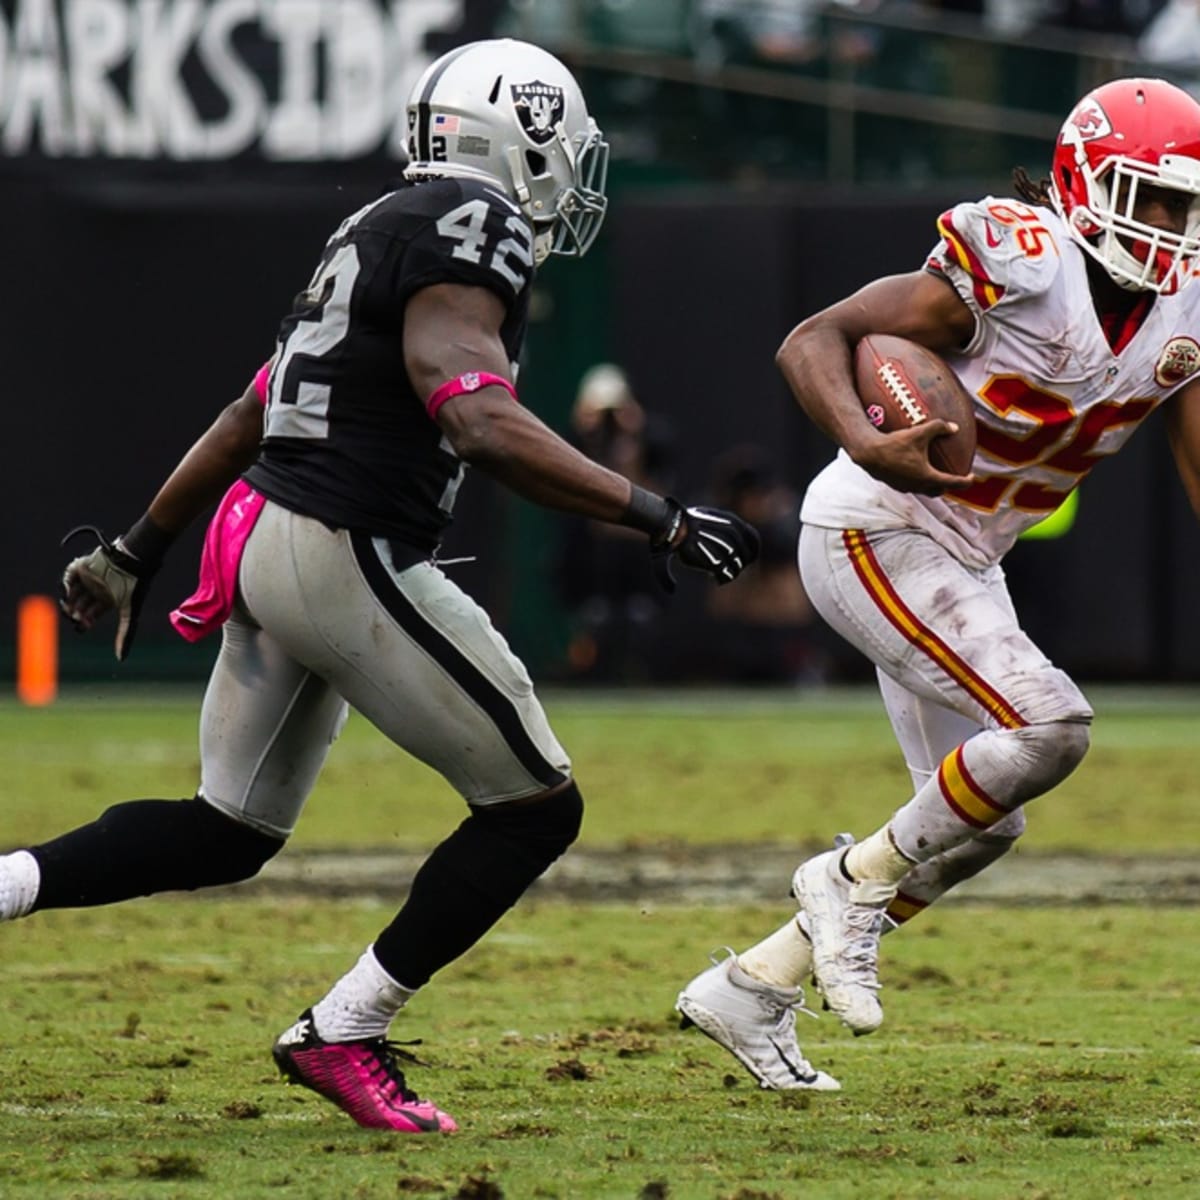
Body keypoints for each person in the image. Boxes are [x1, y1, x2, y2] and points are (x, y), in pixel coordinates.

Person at [1, 38, 759, 1134]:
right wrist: (658, 515)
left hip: (261, 528)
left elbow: (248, 409)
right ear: (517, 137)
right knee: (536, 808)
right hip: (339, 541)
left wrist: (136, 548)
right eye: (561, 148)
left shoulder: (371, 228)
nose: (570, 174)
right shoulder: (475, 224)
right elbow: (473, 414)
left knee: (227, 830)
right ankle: (344, 1030)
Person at [676, 75, 1200, 1091]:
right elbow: (812, 341)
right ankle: (843, 884)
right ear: (1086, 183)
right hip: (878, 527)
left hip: (964, 557)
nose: (1178, 227)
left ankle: (754, 982)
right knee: (1052, 727)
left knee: (983, 824)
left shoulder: (1187, 305)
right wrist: (873, 444)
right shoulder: (1021, 258)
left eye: (1189, 204)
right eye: (1159, 199)